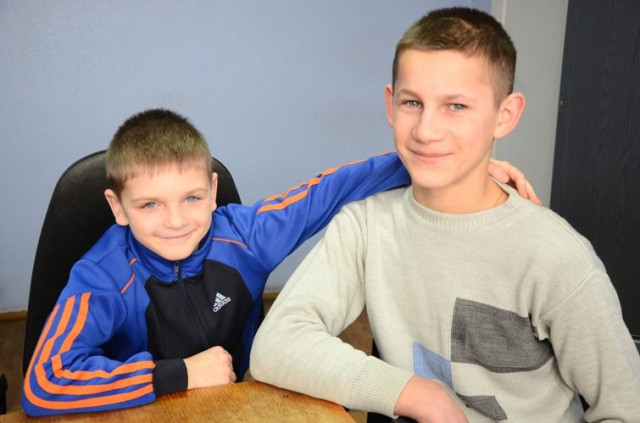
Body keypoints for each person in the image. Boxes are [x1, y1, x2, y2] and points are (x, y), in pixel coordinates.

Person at [249, 7, 640, 423]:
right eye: (412, 102)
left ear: (505, 115)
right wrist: (420, 395)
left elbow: (626, 408)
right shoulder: (365, 226)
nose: (426, 130)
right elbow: (276, 343)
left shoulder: (557, 257)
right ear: (390, 104)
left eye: (456, 106)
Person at [20, 108, 535, 416]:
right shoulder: (100, 276)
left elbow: (334, 188)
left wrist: (452, 168)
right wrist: (176, 375)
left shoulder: (244, 234)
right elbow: (43, 384)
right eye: (150, 204)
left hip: (245, 406)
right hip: (149, 411)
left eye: (192, 198)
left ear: (213, 191)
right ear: (118, 208)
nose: (175, 221)